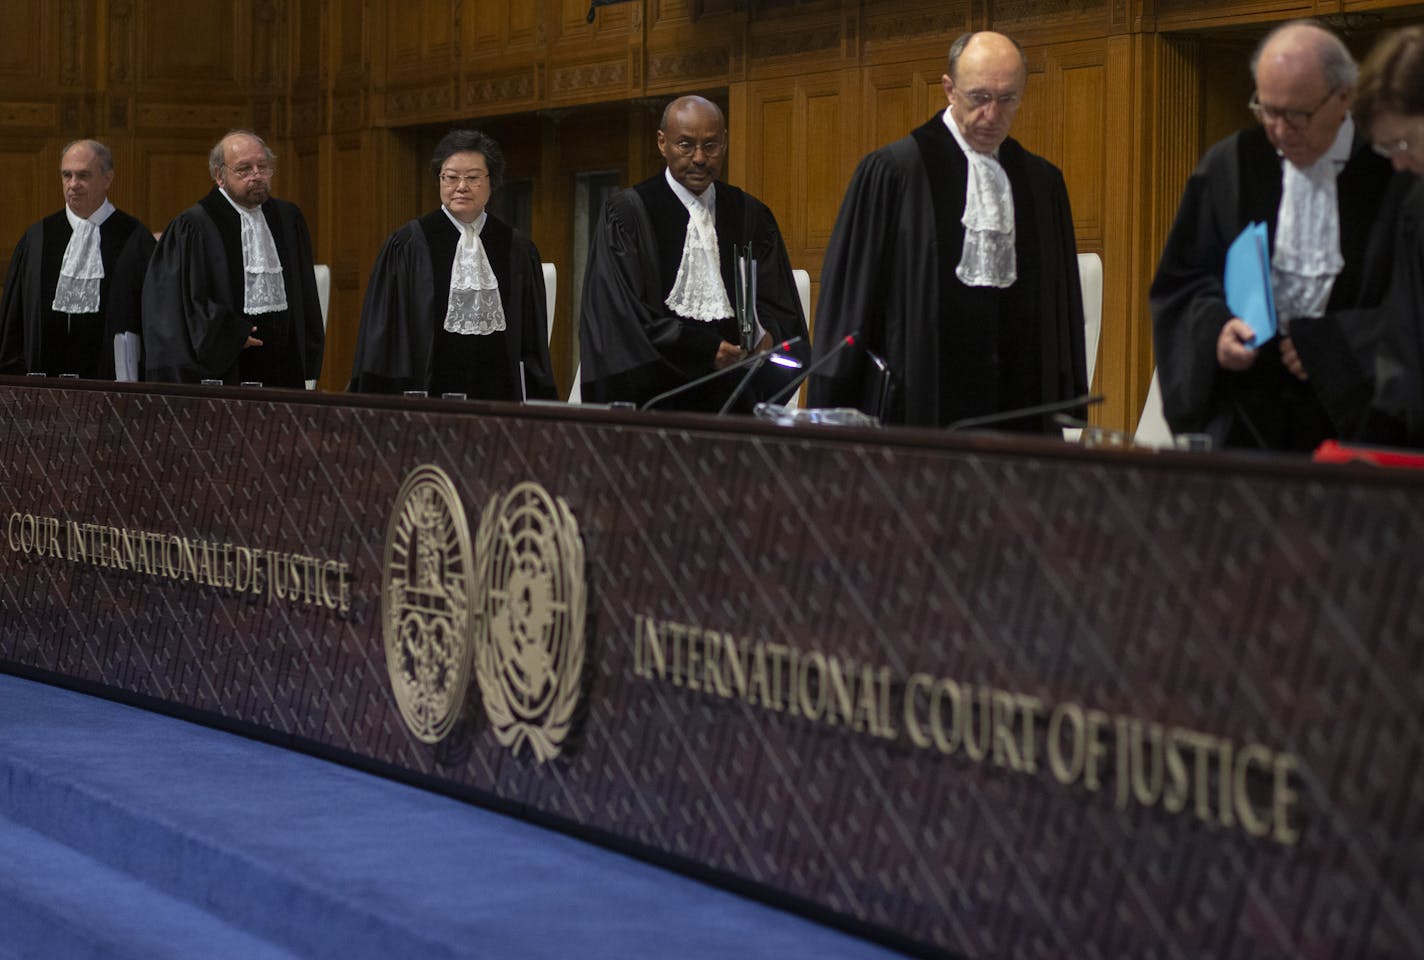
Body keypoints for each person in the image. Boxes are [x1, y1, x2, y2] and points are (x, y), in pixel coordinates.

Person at [808, 32, 1087, 430]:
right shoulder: (894, 172)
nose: (992, 116)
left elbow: (1060, 308)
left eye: (1007, 100)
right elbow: (852, 300)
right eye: (979, 98)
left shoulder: (1041, 184)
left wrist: (1063, 401)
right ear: (949, 89)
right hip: (918, 409)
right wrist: (834, 408)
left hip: (1018, 409)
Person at [1151, 21, 1409, 451]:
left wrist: (1334, 346)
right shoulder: (1230, 165)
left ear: (1343, 97)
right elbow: (1183, 281)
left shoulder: (1394, 173)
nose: (1281, 130)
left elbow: (1412, 309)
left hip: (1358, 423)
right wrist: (1216, 331)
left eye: (1297, 115)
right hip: (1248, 416)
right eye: (1267, 110)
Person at [578, 95, 810, 412]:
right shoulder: (628, 215)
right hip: (655, 404)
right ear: (662, 143)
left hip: (734, 401)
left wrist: (766, 338)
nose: (700, 158)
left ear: (725, 143)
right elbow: (618, 320)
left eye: (711, 145)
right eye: (685, 145)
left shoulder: (750, 216)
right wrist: (702, 350)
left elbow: (782, 312)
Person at [349, 130, 556, 401]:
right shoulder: (408, 245)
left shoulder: (516, 248)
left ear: (491, 181)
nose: (461, 187)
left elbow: (532, 341)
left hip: (498, 400)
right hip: (425, 400)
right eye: (451, 177)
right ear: (439, 180)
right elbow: (385, 338)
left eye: (472, 178)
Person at [142, 130, 323, 387]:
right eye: (244, 169)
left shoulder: (287, 218)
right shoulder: (194, 226)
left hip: (283, 361)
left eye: (263, 166)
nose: (257, 175)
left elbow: (304, 292)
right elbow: (180, 302)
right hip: (228, 365)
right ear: (220, 176)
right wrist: (229, 334)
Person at [0, 139, 155, 380]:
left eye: (83, 175)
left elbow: (153, 320)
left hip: (113, 389)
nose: (73, 184)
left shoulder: (135, 238)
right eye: (66, 175)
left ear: (108, 178)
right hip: (41, 391)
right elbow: (14, 320)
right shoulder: (38, 237)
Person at [1354, 28, 1424, 446]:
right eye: (1386, 150)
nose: (1397, 163)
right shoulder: (1416, 201)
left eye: (1404, 142)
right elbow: (1404, 345)